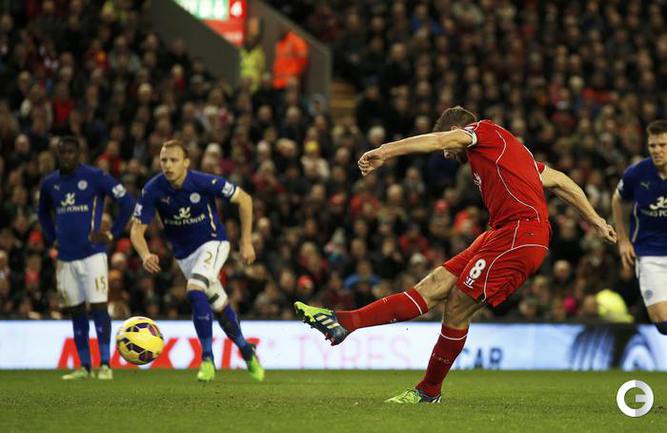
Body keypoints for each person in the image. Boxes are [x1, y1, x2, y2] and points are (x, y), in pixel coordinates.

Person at [294, 106, 617, 403]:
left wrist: (384, 151)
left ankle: (428, 391)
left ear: (457, 130)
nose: (447, 154)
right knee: (433, 285)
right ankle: (345, 322)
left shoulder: (483, 131)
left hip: (521, 233)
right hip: (501, 233)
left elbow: (439, 141)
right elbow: (559, 181)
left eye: (450, 146)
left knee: (458, 304)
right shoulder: (509, 154)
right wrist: (596, 221)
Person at [130, 139, 264, 382]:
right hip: (185, 257)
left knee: (194, 289)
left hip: (214, 244)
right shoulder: (153, 189)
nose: (168, 165)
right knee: (219, 305)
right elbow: (137, 230)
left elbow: (244, 199)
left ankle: (207, 359)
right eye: (164, 160)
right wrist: (145, 254)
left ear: (186, 162)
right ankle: (247, 351)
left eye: (173, 160)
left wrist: (246, 241)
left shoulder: (203, 182)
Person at [38, 136, 135, 380]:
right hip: (65, 257)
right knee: (76, 310)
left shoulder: (95, 176)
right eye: (62, 152)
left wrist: (111, 234)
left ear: (79, 153)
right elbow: (42, 213)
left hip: (92, 255)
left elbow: (127, 202)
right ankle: (84, 366)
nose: (66, 156)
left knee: (99, 306)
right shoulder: (50, 183)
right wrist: (52, 238)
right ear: (58, 154)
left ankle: (105, 364)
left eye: (71, 152)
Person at [612, 119, 667, 335]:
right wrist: (623, 240)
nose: (657, 150)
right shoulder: (637, 173)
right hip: (649, 253)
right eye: (653, 145)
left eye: (662, 145)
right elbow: (617, 200)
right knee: (663, 324)